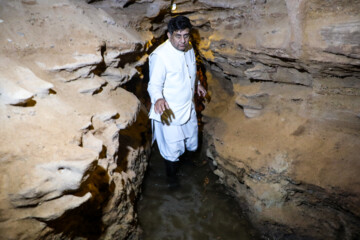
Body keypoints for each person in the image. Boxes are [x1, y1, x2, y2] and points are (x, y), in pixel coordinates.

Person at [147, 15, 207, 187]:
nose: (183, 41)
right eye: (178, 36)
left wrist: (197, 85)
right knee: (172, 150)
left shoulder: (189, 48)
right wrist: (158, 99)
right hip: (169, 111)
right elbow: (154, 84)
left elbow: (189, 70)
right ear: (169, 35)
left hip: (188, 106)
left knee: (191, 143)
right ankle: (172, 181)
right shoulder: (160, 56)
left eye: (186, 35)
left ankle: (186, 166)